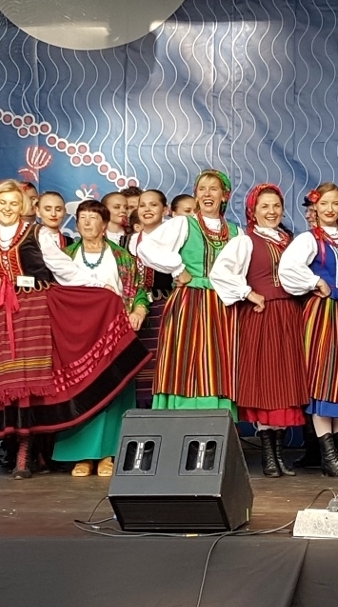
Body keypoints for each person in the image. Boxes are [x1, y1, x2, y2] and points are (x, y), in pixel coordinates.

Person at [43, 200, 152, 477]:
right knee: (80, 393)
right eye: (82, 218)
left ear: (104, 224)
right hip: (76, 337)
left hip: (114, 334)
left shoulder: (123, 257)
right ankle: (82, 457)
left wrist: (138, 310)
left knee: (114, 394)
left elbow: (139, 291)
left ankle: (108, 455)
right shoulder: (65, 256)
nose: (87, 222)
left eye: (93, 218)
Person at [210, 184, 309, 476]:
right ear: (253, 211)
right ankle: (268, 457)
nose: (272, 211)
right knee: (267, 383)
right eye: (265, 206)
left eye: (276, 206)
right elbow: (220, 272)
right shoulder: (245, 241)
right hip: (262, 316)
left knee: (285, 382)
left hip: (289, 315)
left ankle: (278, 456)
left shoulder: (290, 241)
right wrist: (248, 293)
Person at [280, 183, 338, 478]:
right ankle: (329, 457)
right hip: (324, 313)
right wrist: (314, 282)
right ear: (315, 208)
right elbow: (287, 268)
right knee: (324, 379)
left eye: (335, 203)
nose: (330, 209)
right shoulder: (309, 240)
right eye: (325, 204)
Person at [137, 169, 240, 415]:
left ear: (224, 196)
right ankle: (180, 416)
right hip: (189, 299)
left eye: (213, 189)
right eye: (202, 189)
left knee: (217, 360)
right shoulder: (183, 223)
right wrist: (178, 268)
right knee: (185, 356)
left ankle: (216, 416)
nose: (207, 194)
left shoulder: (236, 232)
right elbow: (147, 248)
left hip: (221, 303)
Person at [0, 179, 57, 478]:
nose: (7, 208)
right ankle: (14, 447)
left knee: (30, 379)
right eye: (2, 203)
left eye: (13, 203)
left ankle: (29, 449)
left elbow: (62, 268)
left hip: (33, 309)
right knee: (6, 381)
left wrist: (91, 288)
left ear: (22, 206)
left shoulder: (38, 233)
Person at [127, 188, 171, 407]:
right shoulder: (128, 241)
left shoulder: (175, 238)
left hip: (168, 308)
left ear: (165, 210)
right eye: (142, 205)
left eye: (153, 205)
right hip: (135, 310)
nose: (147, 209)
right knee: (139, 363)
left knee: (166, 361)